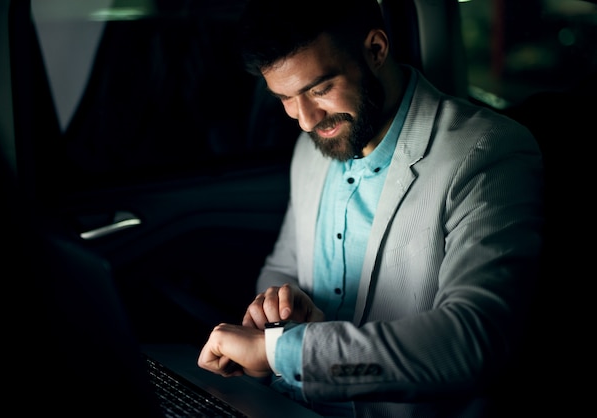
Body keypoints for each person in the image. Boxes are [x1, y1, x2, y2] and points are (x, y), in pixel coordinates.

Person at [197, 0, 544, 416]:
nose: (305, 120)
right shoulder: (312, 149)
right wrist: (278, 307)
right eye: (286, 98)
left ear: (376, 50)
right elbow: (282, 268)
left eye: (320, 89)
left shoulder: (486, 149)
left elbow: (472, 340)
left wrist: (281, 353)